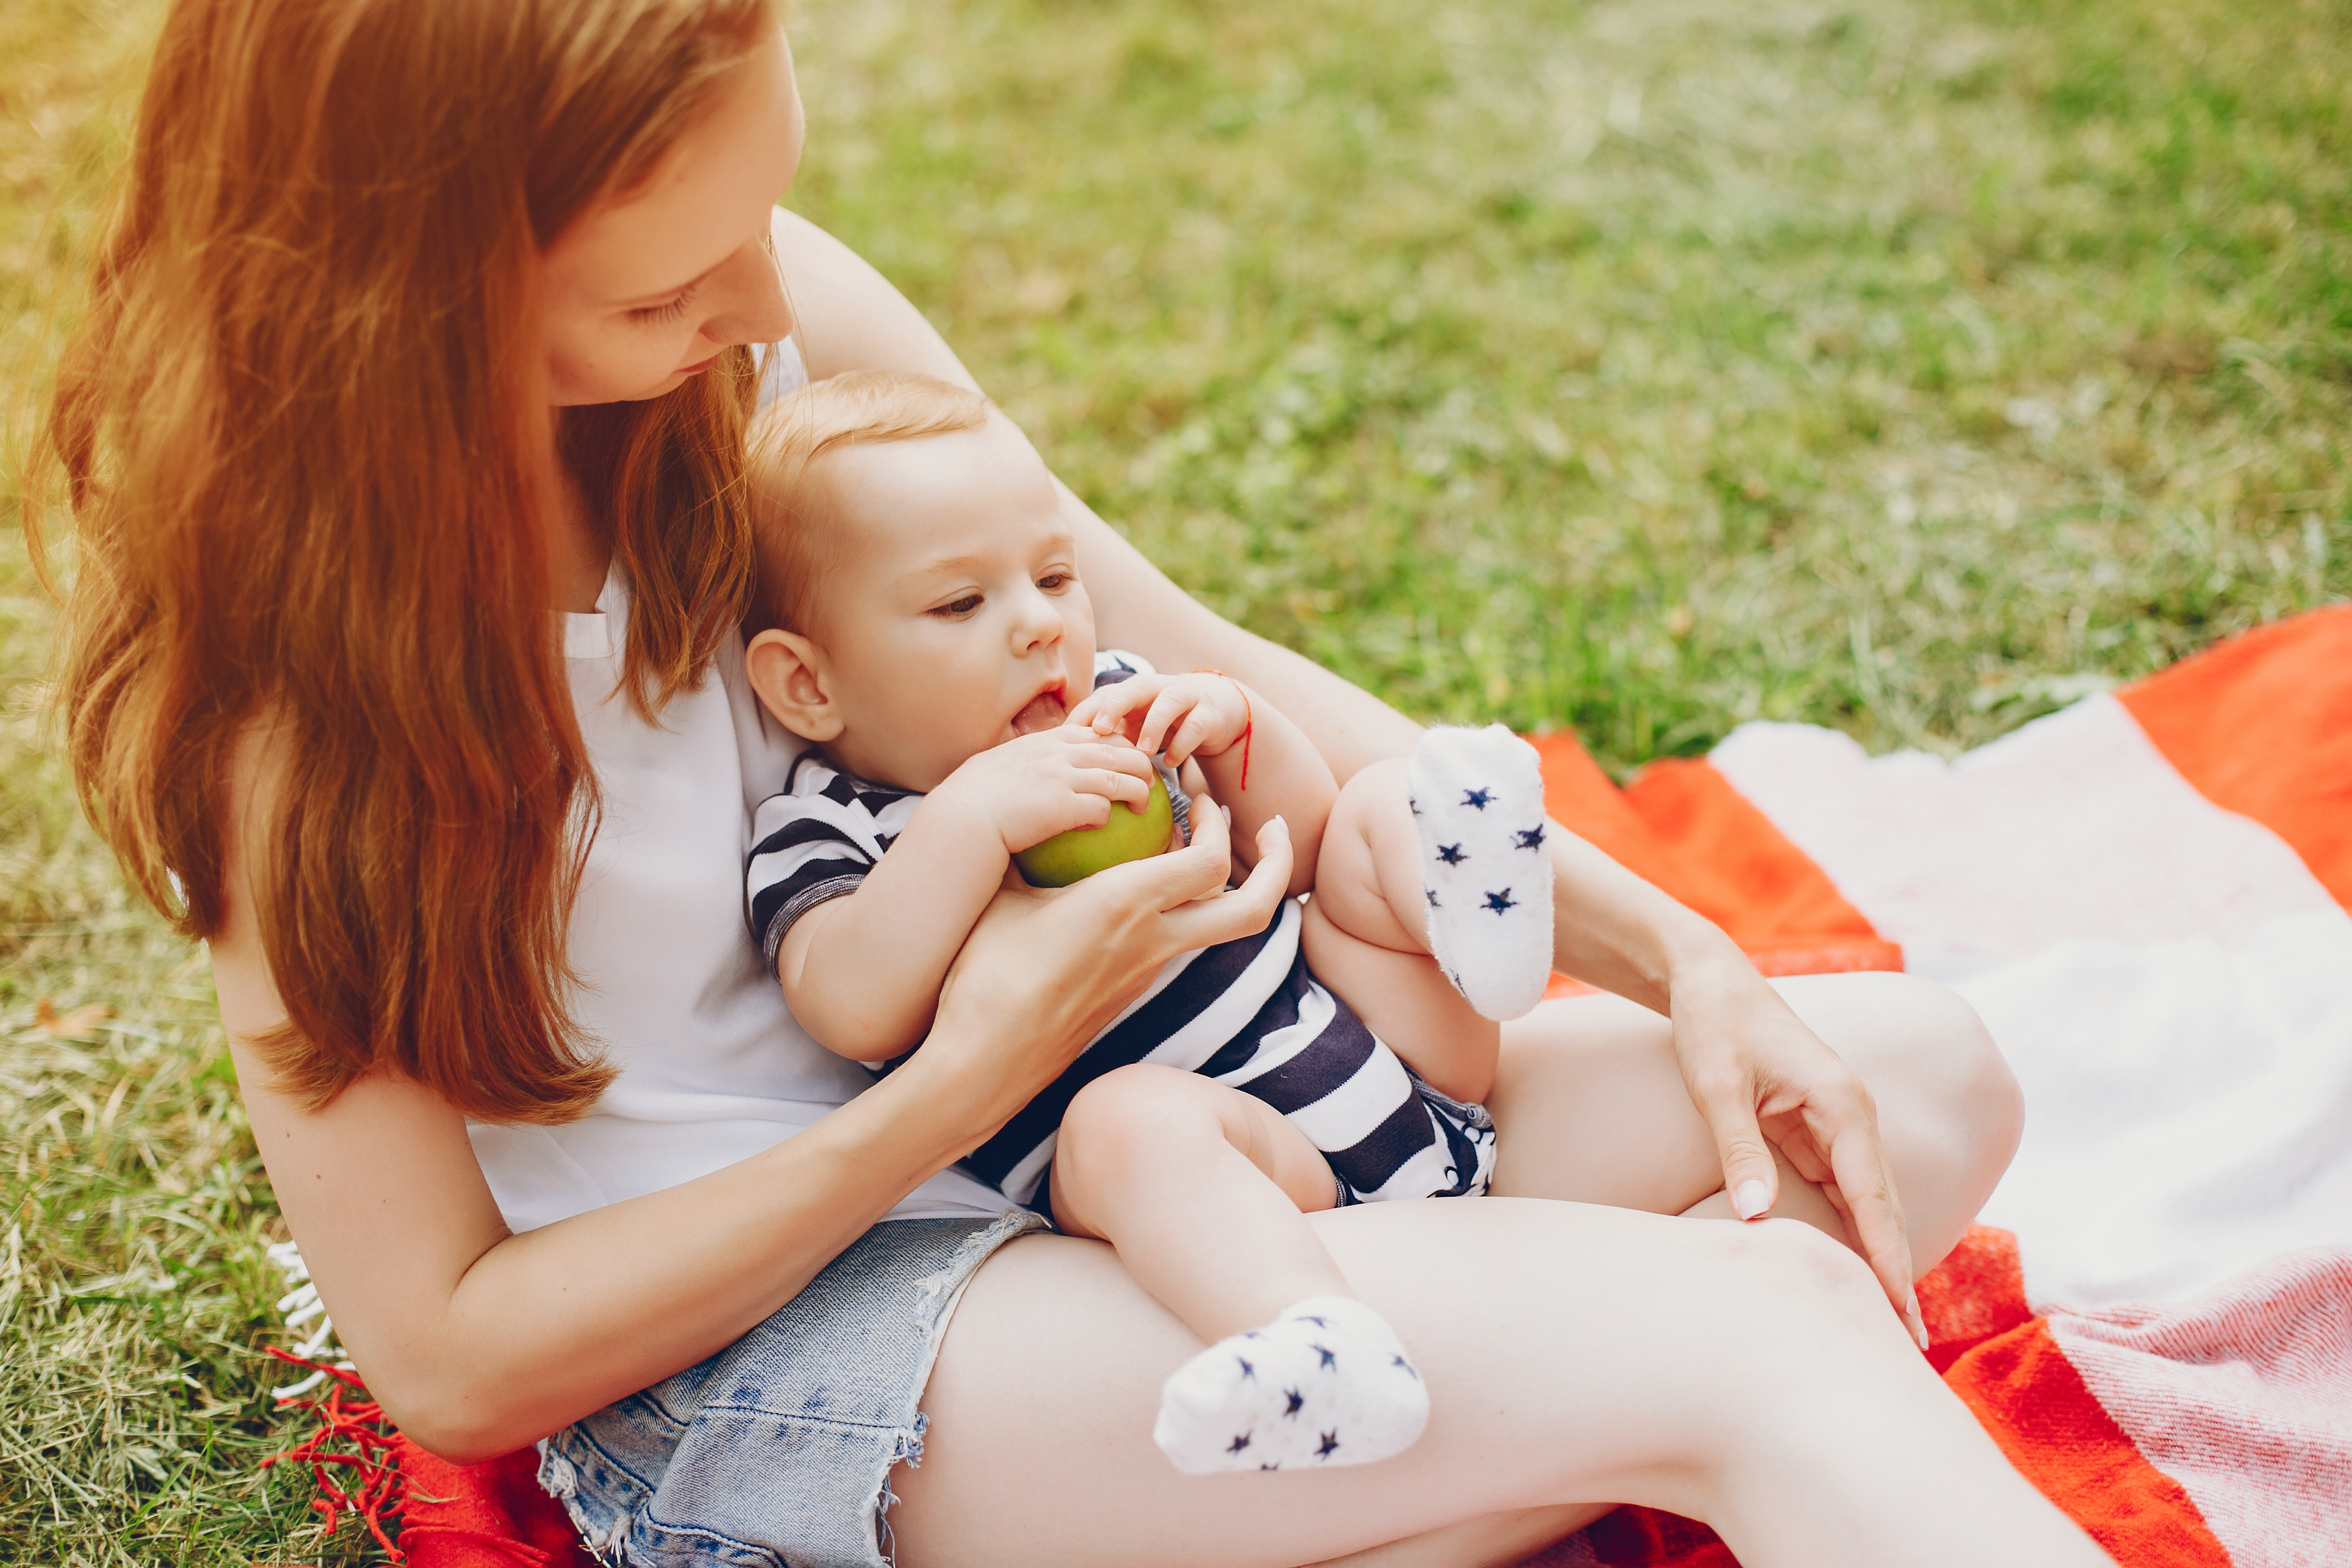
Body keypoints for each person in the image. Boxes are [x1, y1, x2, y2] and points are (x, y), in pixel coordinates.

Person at [26, 2, 2109, 1565]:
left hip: (1150, 1147)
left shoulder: (763, 323)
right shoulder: (300, 720)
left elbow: (1184, 645)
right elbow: (459, 1357)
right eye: (672, 288)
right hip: (815, 1325)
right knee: (1757, 1324)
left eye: (762, 215)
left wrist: (1685, 959)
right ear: (419, 292)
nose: (762, 316)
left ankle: (1325, 1486)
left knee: (1904, 1087)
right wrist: (958, 1080)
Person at [736, 369, 1563, 1473]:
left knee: (1372, 814)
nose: (1039, 625)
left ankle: (1487, 941)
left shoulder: (1122, 710)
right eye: (959, 604)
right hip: (1266, 1180)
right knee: (1122, 1122)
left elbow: (1303, 847)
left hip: (1413, 1064)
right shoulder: (829, 832)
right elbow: (851, 1003)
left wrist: (1236, 725)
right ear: (808, 685)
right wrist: (970, 823)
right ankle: (1311, 1335)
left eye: (1054, 576)